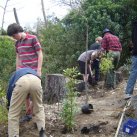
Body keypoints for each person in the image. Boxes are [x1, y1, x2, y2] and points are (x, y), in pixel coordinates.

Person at [7, 23, 43, 117]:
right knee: (25, 94)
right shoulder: (17, 43)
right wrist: (17, 70)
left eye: (14, 36)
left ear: (18, 32)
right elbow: (18, 57)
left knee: (35, 93)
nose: (14, 38)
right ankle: (29, 114)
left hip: (34, 70)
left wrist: (39, 70)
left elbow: (40, 53)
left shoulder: (33, 38)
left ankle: (35, 113)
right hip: (22, 71)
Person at [7, 68, 46, 137]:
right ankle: (42, 132)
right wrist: (30, 106)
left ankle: (14, 135)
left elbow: (9, 93)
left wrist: (9, 106)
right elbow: (34, 97)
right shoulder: (30, 71)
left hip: (22, 82)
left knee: (13, 113)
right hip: (36, 81)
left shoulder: (13, 78)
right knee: (39, 108)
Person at [124, 19, 137, 99]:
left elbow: (133, 40)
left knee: (134, 71)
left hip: (135, 52)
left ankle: (128, 93)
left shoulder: (134, 25)